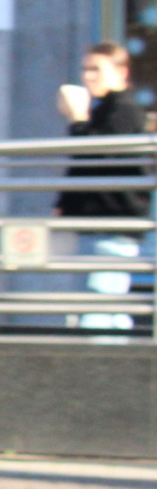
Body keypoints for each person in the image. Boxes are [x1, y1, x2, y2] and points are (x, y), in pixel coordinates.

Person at [54, 42, 152, 323]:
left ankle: (106, 361)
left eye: (96, 69)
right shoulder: (106, 108)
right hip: (99, 221)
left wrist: (78, 119)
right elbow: (82, 164)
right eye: (85, 69)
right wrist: (63, 203)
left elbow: (98, 155)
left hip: (112, 222)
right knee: (107, 305)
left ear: (121, 72)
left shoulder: (125, 108)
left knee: (98, 306)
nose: (88, 76)